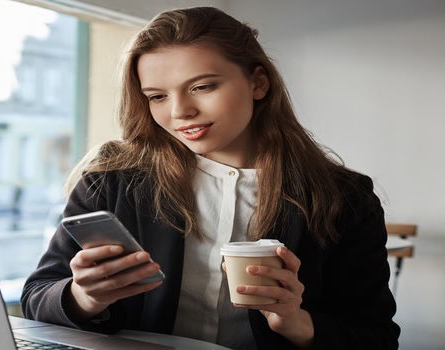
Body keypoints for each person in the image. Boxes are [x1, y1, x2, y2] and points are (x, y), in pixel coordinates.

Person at [21, 6, 399, 350]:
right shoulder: (112, 181)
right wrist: (84, 298)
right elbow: (37, 296)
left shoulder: (343, 197)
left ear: (258, 83)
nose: (180, 111)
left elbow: (376, 339)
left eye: (202, 86)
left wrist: (296, 322)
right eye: (156, 96)